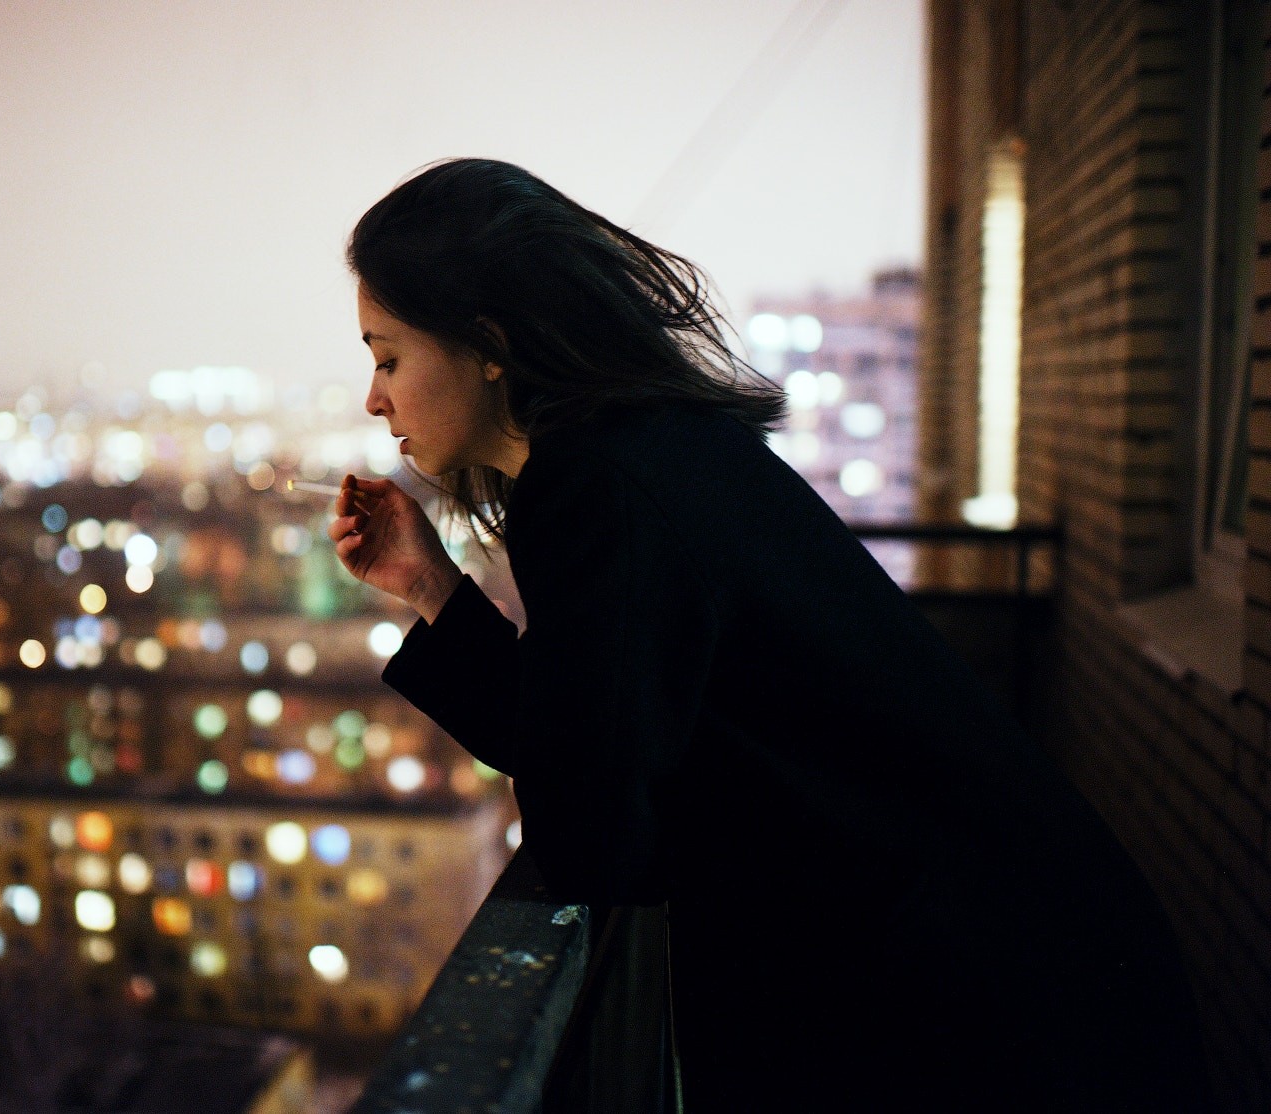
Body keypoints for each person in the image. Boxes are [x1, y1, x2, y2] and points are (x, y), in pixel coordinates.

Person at [325, 157, 1214, 1111]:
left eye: (388, 357)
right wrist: (430, 585)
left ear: (488, 342)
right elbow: (595, 746)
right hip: (1023, 978)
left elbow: (590, 828)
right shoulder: (647, 453)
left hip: (974, 1022)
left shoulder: (596, 491)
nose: (376, 398)